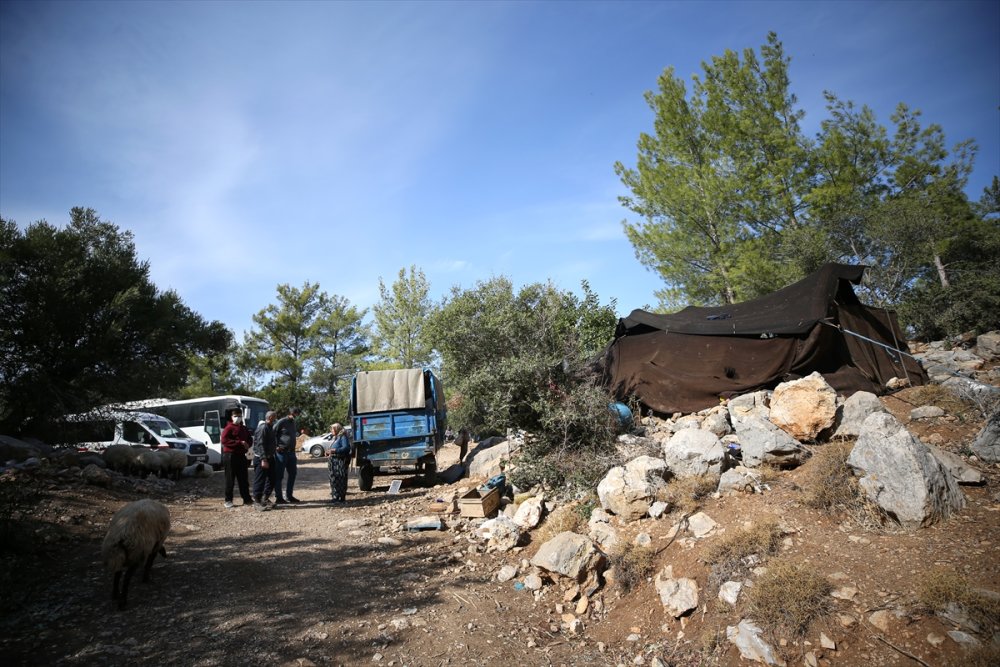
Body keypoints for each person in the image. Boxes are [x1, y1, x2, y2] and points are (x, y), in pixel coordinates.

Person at [220, 409, 254, 509]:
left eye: (239, 416)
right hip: (230, 455)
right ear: (231, 417)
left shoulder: (243, 428)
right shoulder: (228, 428)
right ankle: (228, 500)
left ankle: (247, 499)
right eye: (235, 416)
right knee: (230, 479)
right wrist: (239, 443)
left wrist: (247, 444)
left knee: (243, 478)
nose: (237, 418)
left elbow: (249, 439)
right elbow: (224, 440)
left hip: (241, 456)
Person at [251, 410, 279, 511]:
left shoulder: (270, 427)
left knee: (272, 478)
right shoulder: (263, 428)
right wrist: (263, 459)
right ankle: (257, 501)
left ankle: (265, 498)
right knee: (260, 480)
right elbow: (260, 444)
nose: (276, 419)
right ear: (270, 417)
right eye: (275, 417)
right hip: (261, 458)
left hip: (270, 457)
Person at [273, 407, 302, 504]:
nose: (295, 416)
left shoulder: (293, 423)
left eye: (297, 415)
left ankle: (289, 496)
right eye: (294, 414)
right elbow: (272, 433)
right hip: (282, 453)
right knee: (279, 475)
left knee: (293, 473)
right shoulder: (282, 421)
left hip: (291, 453)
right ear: (290, 413)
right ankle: (279, 497)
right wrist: (276, 446)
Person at [326, 423, 351, 503]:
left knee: (340, 478)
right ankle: (335, 496)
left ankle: (340, 497)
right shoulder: (336, 437)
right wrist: (329, 452)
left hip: (339, 461)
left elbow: (346, 448)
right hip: (333, 461)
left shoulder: (343, 437)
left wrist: (334, 450)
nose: (331, 431)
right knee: (334, 479)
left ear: (337, 429)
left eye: (332, 429)